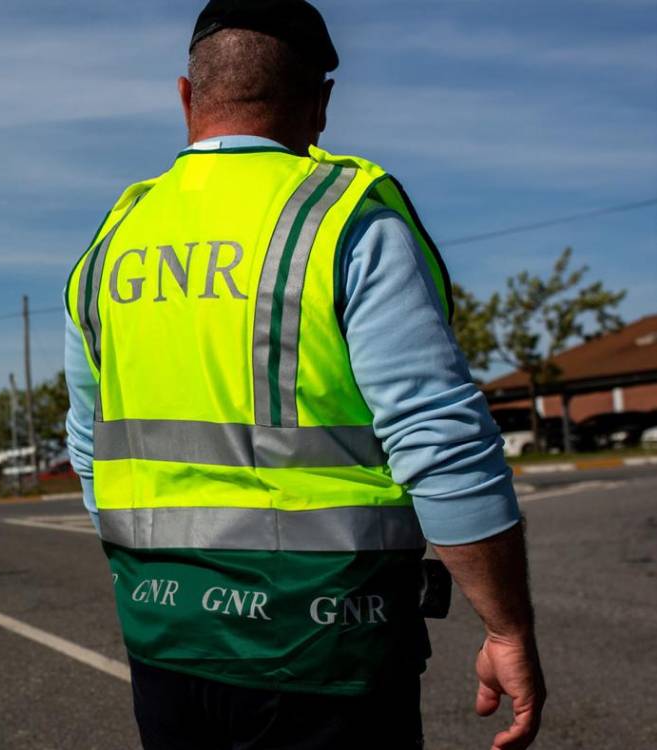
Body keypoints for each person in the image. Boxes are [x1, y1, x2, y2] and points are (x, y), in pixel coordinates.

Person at [62, 1, 546, 747]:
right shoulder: (343, 217)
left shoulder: (113, 237)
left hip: (165, 641)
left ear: (187, 96)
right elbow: (435, 434)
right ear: (319, 104)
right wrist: (506, 626)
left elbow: (90, 444)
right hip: (325, 649)